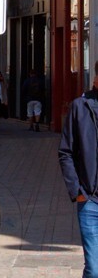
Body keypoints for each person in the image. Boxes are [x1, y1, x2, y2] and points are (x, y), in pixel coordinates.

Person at [59, 76, 98, 277]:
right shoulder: (80, 107)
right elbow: (65, 152)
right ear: (96, 79)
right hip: (90, 200)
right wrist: (77, 191)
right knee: (94, 269)